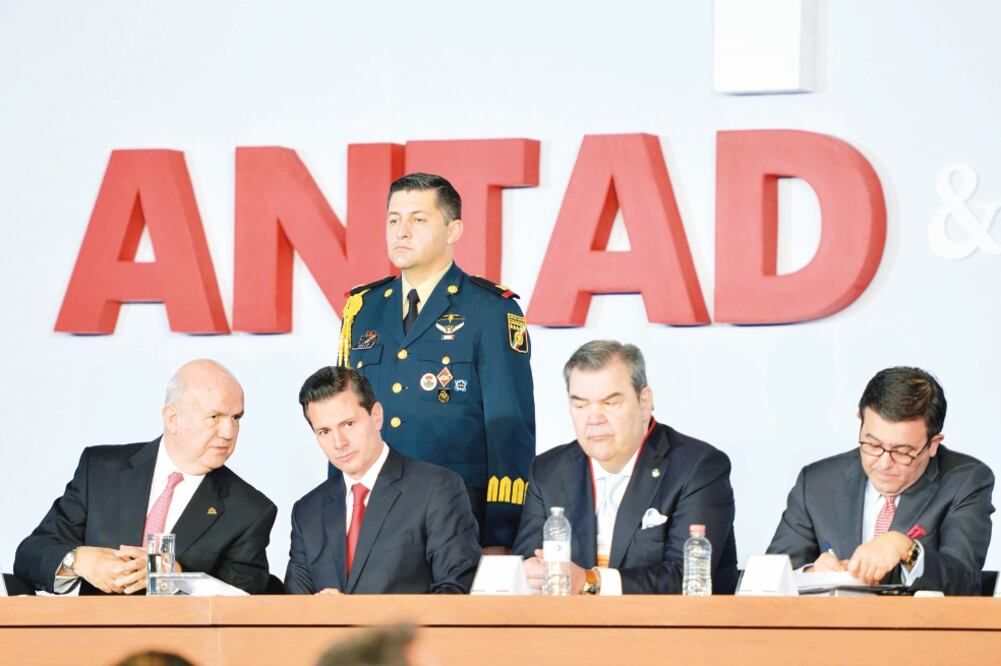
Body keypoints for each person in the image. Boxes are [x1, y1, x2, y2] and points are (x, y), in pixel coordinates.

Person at [337, 172, 535, 553]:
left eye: (418, 219)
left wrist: (501, 536)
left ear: (453, 229)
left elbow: (509, 428)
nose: (402, 231)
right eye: (394, 219)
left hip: (457, 520)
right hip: (373, 515)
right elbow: (342, 417)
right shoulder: (362, 309)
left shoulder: (490, 309)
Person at [14, 359, 277, 595]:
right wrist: (80, 561)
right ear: (173, 419)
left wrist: (180, 578)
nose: (229, 432)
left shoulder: (249, 510)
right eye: (214, 417)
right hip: (94, 639)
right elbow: (31, 555)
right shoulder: (101, 471)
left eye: (236, 417)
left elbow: (246, 601)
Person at [512, 340, 739, 594]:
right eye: (580, 405)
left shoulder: (697, 467)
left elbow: (684, 578)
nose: (594, 419)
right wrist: (530, 574)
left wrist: (590, 582)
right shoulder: (549, 471)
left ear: (644, 402)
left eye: (610, 403)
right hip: (569, 629)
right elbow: (526, 560)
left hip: (670, 629)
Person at [767, 366, 995, 595]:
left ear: (933, 443)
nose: (884, 463)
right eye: (873, 445)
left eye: (902, 452)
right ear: (860, 421)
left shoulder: (965, 481)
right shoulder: (818, 483)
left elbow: (963, 579)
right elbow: (768, 578)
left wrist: (907, 549)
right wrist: (811, 575)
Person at [284, 366, 481, 594]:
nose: (339, 443)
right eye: (324, 432)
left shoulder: (436, 489)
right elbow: (295, 607)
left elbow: (455, 591)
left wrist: (357, 615)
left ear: (376, 416)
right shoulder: (307, 511)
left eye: (348, 424)